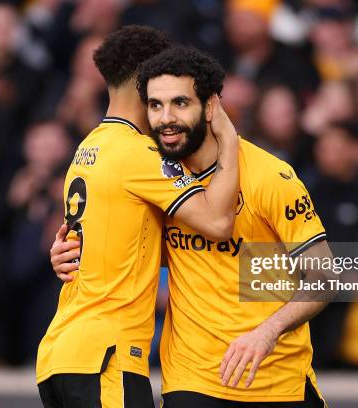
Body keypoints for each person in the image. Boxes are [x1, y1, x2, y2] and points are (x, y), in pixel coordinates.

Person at [52, 46, 331, 407]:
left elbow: (325, 276)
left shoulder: (270, 176)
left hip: (274, 381)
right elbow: (136, 248)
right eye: (155, 105)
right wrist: (73, 253)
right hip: (191, 380)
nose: (166, 118)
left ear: (211, 106)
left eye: (180, 103)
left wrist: (267, 332)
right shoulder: (158, 179)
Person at [36, 26, 240, 408]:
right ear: (146, 84)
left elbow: (118, 243)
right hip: (107, 358)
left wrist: (58, 253)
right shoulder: (140, 155)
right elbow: (218, 223)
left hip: (63, 353)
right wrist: (229, 139)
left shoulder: (88, 148)